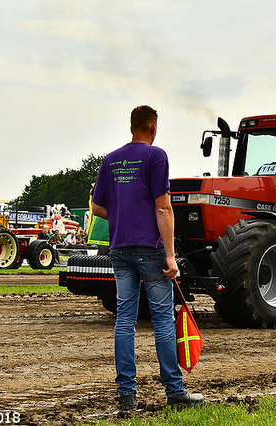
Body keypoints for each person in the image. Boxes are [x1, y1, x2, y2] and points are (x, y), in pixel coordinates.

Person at [91, 105, 204, 411]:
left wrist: (123, 211)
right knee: (163, 320)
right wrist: (170, 256)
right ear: (152, 128)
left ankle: (127, 397)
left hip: (119, 248)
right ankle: (175, 391)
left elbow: (96, 207)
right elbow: (163, 208)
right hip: (150, 249)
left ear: (132, 127)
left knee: (125, 320)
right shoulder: (156, 156)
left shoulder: (111, 160)